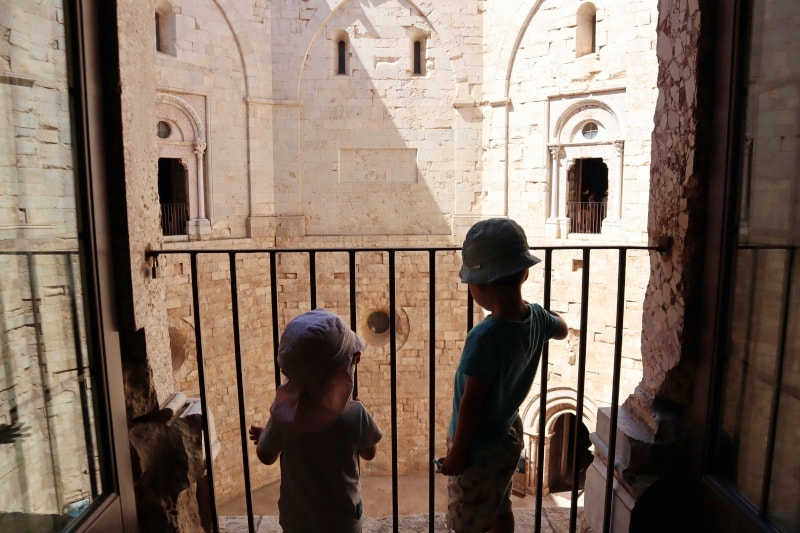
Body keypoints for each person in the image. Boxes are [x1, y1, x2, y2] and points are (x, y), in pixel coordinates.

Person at [440, 218, 568, 533]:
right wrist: (543, 314)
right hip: (508, 436)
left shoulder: (483, 337)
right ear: (524, 273)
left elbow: (472, 401)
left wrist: (457, 454)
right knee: (500, 503)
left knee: (467, 520)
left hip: (477, 448)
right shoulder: (537, 318)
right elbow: (563, 329)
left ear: (479, 285)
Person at [249, 308, 383, 533]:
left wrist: (267, 436)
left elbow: (266, 455)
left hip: (298, 521)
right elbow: (369, 453)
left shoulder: (285, 415)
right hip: (343, 521)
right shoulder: (355, 413)